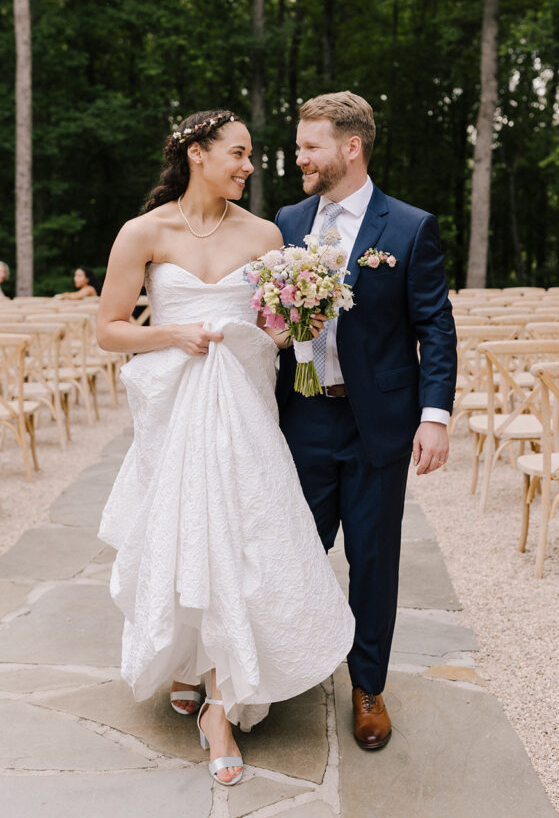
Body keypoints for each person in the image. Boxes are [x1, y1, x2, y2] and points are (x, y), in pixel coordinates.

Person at [96, 109, 354, 787]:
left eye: (250, 156)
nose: (248, 166)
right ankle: (186, 663)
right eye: (237, 154)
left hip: (242, 414)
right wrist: (174, 336)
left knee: (235, 541)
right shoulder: (143, 232)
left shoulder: (264, 234)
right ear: (195, 152)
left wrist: (298, 315)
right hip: (175, 413)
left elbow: (276, 325)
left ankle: (218, 704)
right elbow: (110, 330)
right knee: (182, 535)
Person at [275, 91, 457, 750]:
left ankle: (367, 683)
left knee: (373, 559)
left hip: (378, 421)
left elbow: (434, 325)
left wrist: (433, 416)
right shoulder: (286, 221)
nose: (298, 157)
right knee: (292, 549)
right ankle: (286, 664)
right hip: (301, 417)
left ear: (349, 148)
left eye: (309, 146)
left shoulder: (408, 227)